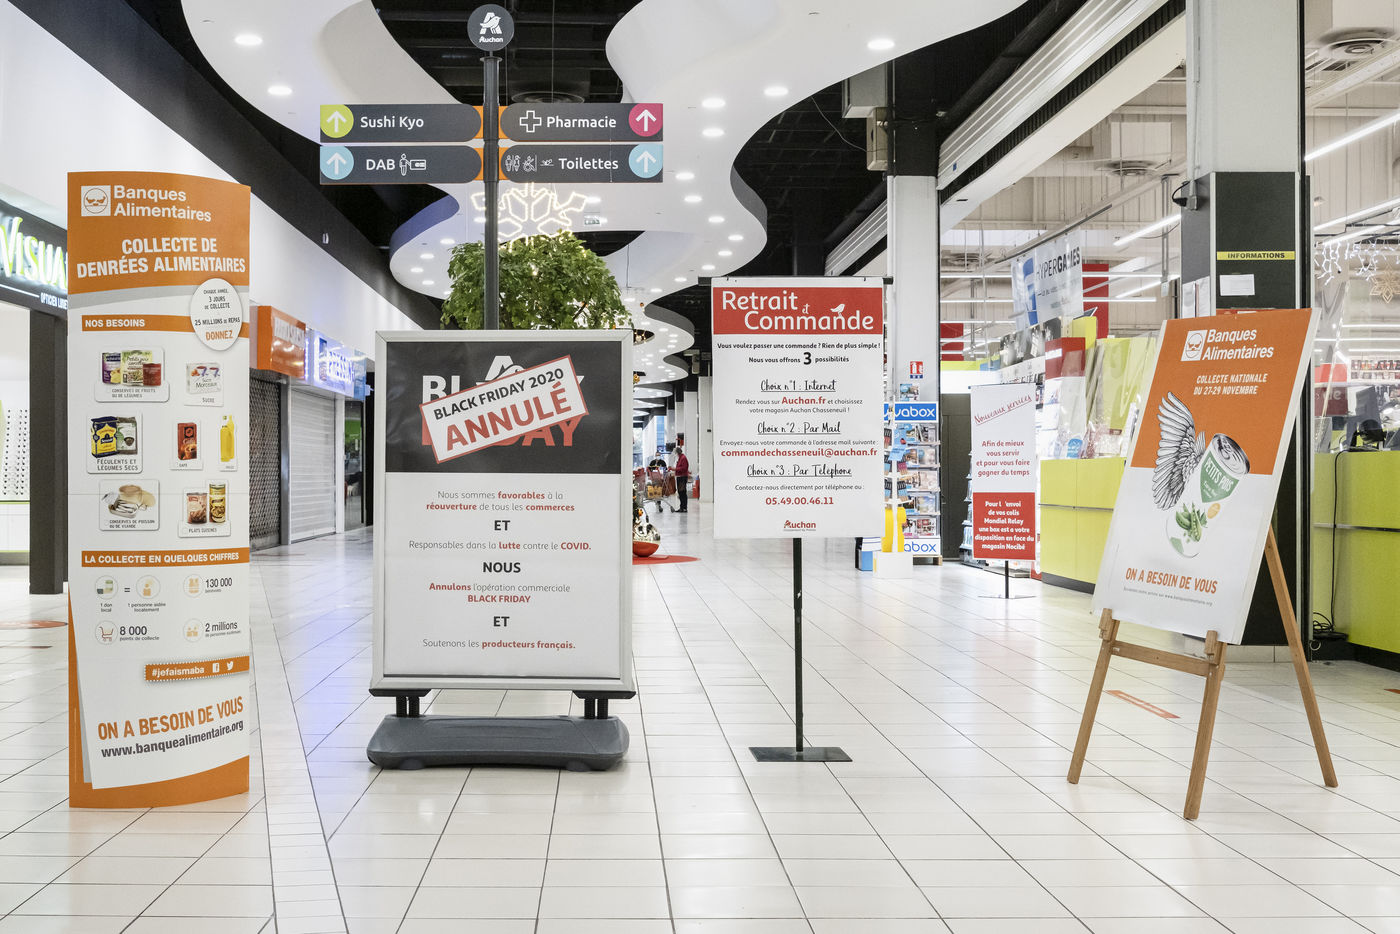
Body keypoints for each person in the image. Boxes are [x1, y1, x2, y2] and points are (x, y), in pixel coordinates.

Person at [673, 438, 689, 513]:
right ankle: (681, 507)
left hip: (682, 477)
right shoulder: (680, 458)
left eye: (675, 453)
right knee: (680, 492)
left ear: (677, 452)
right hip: (679, 477)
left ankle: (684, 507)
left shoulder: (683, 458)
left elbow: (684, 468)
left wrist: (675, 469)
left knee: (682, 493)